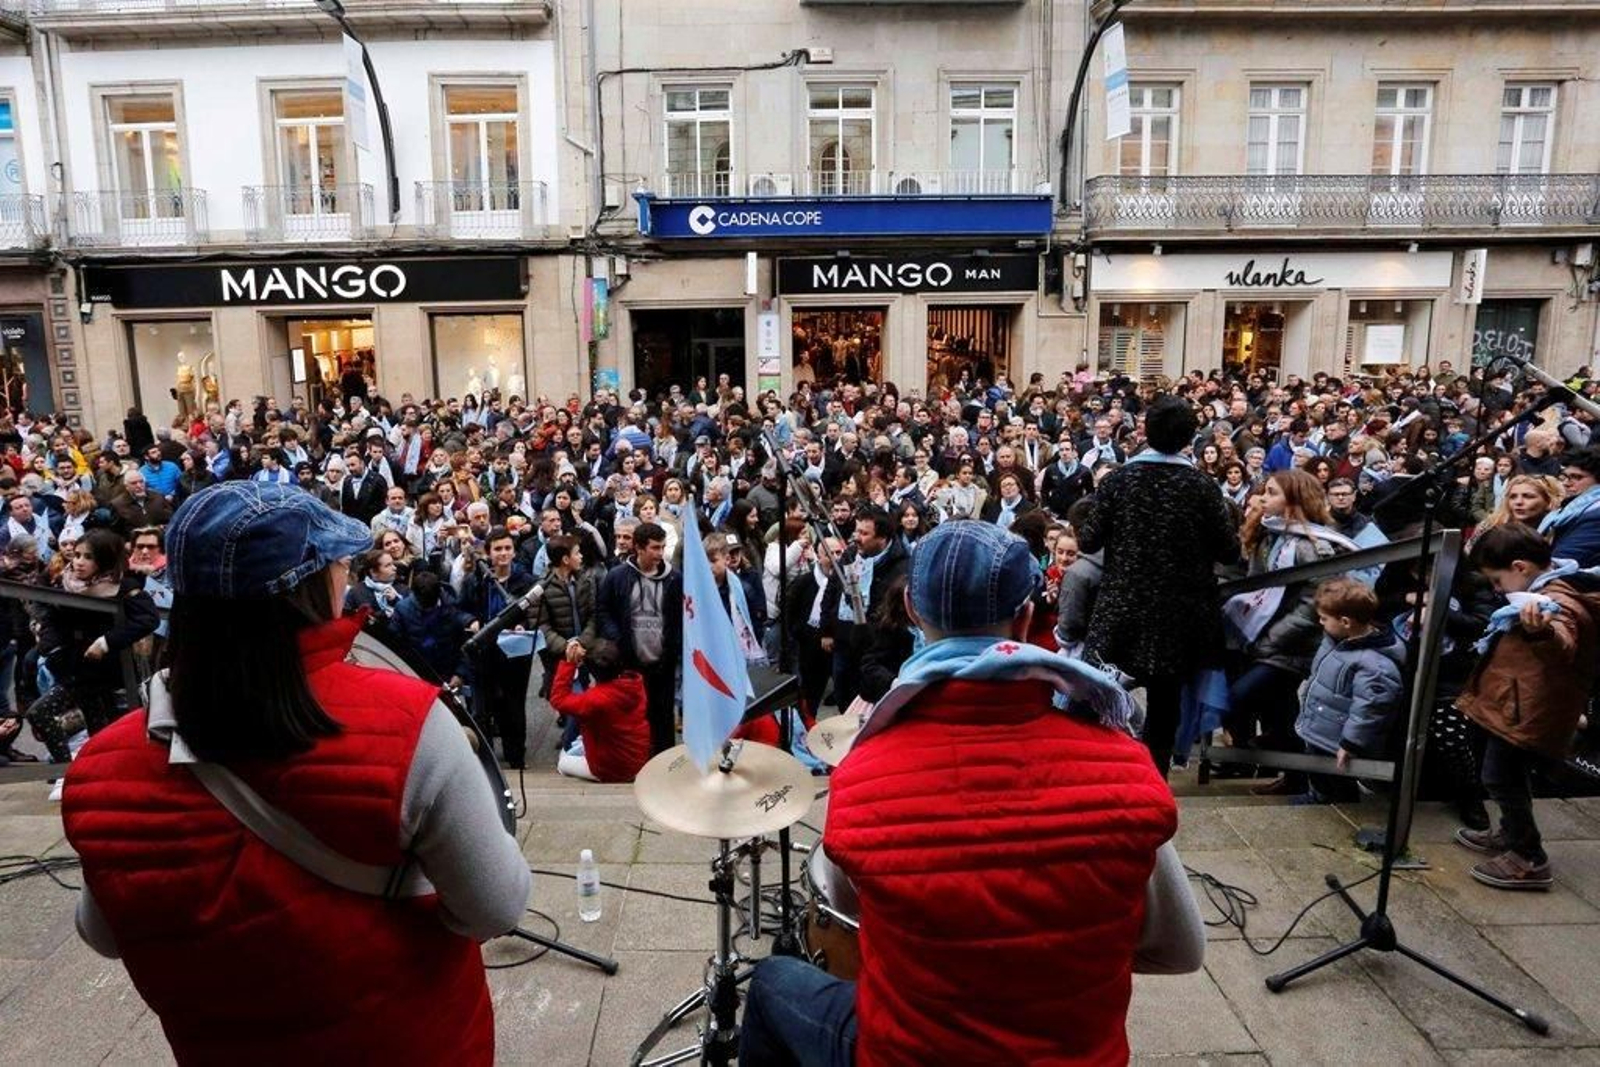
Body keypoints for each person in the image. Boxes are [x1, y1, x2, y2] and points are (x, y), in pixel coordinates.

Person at [62, 483, 530, 1062]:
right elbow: (495, 906)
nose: (346, 578)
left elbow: (102, 933)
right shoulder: (409, 723)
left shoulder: (100, 769)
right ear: (309, 589)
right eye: (339, 565)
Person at [739, 520, 1204, 1066]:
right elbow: (1181, 950)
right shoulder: (1123, 768)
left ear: (912, 611)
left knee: (773, 980)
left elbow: (854, 918)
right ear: (1027, 618)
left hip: (912, 1053)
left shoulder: (862, 780)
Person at [1077, 396, 1241, 775]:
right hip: (1180, 612)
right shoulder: (1201, 486)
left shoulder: (1120, 480)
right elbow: (1229, 551)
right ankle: (1154, 778)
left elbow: (1088, 540)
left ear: (1145, 432)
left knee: (1100, 688)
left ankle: (1097, 770)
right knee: (1166, 701)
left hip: (1124, 606)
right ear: (1190, 437)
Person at [1454, 523, 1600, 890]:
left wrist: (1541, 632)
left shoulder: (1556, 603)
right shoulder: (1545, 587)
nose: (1496, 589)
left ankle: (1529, 858)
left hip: (1529, 709)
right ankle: (1508, 833)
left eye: (1497, 580)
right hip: (1515, 701)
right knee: (1507, 776)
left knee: (1501, 777)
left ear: (1521, 567)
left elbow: (1563, 643)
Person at [25, 528, 160, 767]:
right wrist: (52, 648)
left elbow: (148, 619)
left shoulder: (123, 585)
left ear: (104, 559)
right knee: (99, 731)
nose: (78, 562)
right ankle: (77, 772)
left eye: (88, 557)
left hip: (104, 671)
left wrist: (106, 642)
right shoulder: (66, 582)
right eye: (77, 555)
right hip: (74, 668)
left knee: (43, 713)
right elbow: (51, 618)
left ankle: (68, 771)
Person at [1293, 579, 1405, 804]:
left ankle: (1338, 805)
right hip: (1320, 727)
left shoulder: (1375, 666)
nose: (1320, 622)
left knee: (1336, 780)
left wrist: (1351, 743)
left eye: (1324, 618)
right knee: (1319, 773)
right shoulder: (1337, 640)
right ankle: (1319, 796)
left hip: (1337, 739)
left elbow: (1369, 710)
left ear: (1345, 621)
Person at [597, 521, 682, 753]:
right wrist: (617, 637)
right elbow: (603, 611)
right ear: (639, 548)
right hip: (630, 661)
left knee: (663, 715)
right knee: (633, 715)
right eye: (655, 548)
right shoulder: (617, 577)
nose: (660, 553)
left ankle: (664, 765)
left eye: (662, 547)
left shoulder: (674, 578)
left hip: (663, 661)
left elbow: (681, 616)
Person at [458, 525, 537, 768]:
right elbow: (461, 609)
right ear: (489, 553)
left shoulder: (526, 581)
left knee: (513, 707)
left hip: (513, 654)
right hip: (483, 652)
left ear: (514, 551)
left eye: (507, 548)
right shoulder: (476, 580)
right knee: (483, 708)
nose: (503, 553)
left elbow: (534, 613)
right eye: (498, 549)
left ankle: (516, 757)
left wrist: (524, 624)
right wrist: (470, 621)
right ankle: (486, 760)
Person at [548, 639, 651, 783]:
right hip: (637, 761)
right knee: (579, 742)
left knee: (563, 761)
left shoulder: (596, 699)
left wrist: (569, 663)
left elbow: (558, 699)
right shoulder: (635, 684)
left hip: (610, 769)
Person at [1542, 446, 1600, 567]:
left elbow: (1562, 561)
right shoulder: (1565, 511)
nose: (1566, 483)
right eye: (1566, 477)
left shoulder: (1595, 515)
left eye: (1577, 477)